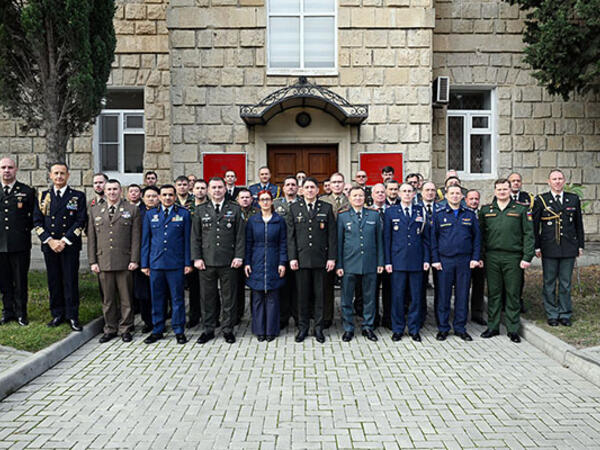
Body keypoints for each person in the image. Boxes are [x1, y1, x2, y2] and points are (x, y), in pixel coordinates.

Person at [479, 179, 534, 343]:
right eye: (499, 189)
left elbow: (529, 235)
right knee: (494, 293)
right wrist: (481, 257)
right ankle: (493, 326)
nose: (502, 192)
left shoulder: (521, 209)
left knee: (513, 293)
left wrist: (527, 257)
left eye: (505, 189)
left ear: (510, 190)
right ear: (494, 191)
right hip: (492, 257)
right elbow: (481, 236)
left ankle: (513, 329)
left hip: (513, 257)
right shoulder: (486, 210)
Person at [33, 163, 87, 331]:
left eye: (62, 173)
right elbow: (37, 221)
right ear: (50, 176)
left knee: (70, 281)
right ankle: (57, 314)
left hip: (69, 246)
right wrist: (50, 241)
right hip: (50, 246)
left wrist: (63, 241)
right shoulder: (43, 196)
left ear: (68, 175)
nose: (59, 176)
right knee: (54, 280)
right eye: (56, 173)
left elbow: (80, 221)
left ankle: (72, 316)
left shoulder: (77, 196)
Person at [192, 177, 245, 344]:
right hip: (206, 262)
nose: (217, 190)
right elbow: (195, 237)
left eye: (220, 187)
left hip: (229, 261)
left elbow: (240, 236)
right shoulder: (200, 210)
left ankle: (228, 329)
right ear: (209, 190)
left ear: (225, 189)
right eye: (213, 187)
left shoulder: (235, 210)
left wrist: (239, 256)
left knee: (229, 297)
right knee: (207, 297)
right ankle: (208, 329)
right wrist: (197, 258)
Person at [87, 180, 141, 343]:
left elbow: (136, 237)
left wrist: (134, 259)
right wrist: (92, 261)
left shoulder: (132, 209)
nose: (112, 192)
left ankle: (126, 328)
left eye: (115, 189)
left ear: (121, 191)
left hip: (124, 260)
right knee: (108, 299)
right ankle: (110, 328)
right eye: (109, 189)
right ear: (104, 190)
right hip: (103, 261)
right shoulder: (95, 210)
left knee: (126, 298)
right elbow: (91, 238)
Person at [532, 169, 585, 327]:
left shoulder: (573, 199)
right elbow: (535, 226)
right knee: (549, 282)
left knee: (565, 283)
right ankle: (552, 314)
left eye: (560, 178)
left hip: (569, 247)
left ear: (564, 181)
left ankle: (565, 313)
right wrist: (536, 246)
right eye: (554, 179)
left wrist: (580, 245)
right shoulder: (541, 200)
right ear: (549, 182)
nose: (557, 181)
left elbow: (578, 225)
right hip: (549, 247)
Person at [141, 184, 192, 344]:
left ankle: (179, 330)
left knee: (177, 299)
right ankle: (158, 329)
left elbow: (187, 241)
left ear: (175, 197)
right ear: (159, 197)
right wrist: (144, 264)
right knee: (157, 298)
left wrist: (187, 262)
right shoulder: (150, 215)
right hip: (156, 264)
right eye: (164, 195)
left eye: (171, 195)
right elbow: (145, 241)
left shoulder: (183, 214)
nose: (168, 197)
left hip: (176, 264)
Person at [287, 177, 336, 343]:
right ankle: (303, 327)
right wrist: (292, 257)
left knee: (320, 295)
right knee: (302, 296)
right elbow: (290, 237)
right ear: (302, 190)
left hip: (321, 259)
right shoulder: (294, 208)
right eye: (306, 187)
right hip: (301, 259)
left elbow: (332, 236)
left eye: (312, 187)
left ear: (317, 190)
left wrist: (332, 258)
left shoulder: (326, 208)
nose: (309, 190)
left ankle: (319, 328)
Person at [431, 185, 481, 342]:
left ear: (462, 197)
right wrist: (435, 260)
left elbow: (477, 239)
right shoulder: (438, 215)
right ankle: (443, 328)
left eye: (457, 193)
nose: (454, 196)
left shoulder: (469, 215)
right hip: (444, 261)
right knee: (443, 296)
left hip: (464, 261)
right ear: (446, 196)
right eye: (451, 193)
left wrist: (475, 258)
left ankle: (460, 328)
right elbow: (433, 240)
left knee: (462, 295)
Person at [384, 183, 430, 342]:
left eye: (410, 191)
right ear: (398, 193)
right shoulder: (390, 212)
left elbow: (426, 238)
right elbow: (387, 239)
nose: (407, 194)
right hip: (397, 261)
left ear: (414, 194)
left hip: (417, 261)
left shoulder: (420, 211)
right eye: (403, 191)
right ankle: (398, 329)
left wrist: (426, 259)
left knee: (416, 297)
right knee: (397, 297)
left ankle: (414, 328)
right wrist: (387, 261)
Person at [337, 187, 384, 342]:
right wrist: (339, 265)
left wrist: (380, 262)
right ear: (349, 198)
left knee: (370, 298)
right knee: (347, 298)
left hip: (370, 263)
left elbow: (379, 241)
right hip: (349, 263)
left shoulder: (374, 215)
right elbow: (339, 243)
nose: (358, 198)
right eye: (355, 196)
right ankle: (349, 328)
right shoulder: (343, 217)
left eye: (361, 195)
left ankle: (368, 327)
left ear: (366, 198)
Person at [244, 190, 287, 341]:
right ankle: (259, 330)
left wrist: (282, 262)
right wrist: (247, 262)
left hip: (274, 259)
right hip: (256, 259)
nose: (265, 202)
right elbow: (248, 243)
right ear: (258, 202)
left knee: (272, 297)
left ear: (272, 201)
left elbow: (283, 243)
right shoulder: (252, 221)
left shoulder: (279, 220)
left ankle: (271, 330)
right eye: (262, 200)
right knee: (257, 297)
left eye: (268, 199)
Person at [0, 158, 35, 326]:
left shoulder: (26, 191)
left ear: (16, 170)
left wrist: (21, 232)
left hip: (19, 244)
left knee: (20, 280)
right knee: (4, 281)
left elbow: (32, 218)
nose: (7, 170)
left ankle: (21, 314)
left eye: (10, 167)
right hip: (0, 245)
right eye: (3, 167)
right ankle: (7, 312)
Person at [319, 172, 350, 328]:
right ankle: (326, 317)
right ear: (329, 185)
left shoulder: (350, 200)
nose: (337, 185)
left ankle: (348, 317)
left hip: (347, 247)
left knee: (347, 286)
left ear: (344, 184)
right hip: (327, 247)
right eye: (334, 182)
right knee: (326, 286)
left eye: (340, 182)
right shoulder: (322, 201)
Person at [132, 186, 160, 333]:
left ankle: (159, 320)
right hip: (141, 258)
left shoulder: (164, 212)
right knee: (143, 293)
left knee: (159, 293)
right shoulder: (136, 213)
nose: (151, 199)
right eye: (148, 196)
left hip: (159, 258)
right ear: (143, 198)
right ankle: (147, 322)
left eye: (154, 196)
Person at [272, 176, 299, 329]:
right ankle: (282, 317)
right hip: (280, 251)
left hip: (298, 251)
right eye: (287, 185)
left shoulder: (302, 204)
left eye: (293, 185)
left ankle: (297, 316)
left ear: (297, 188)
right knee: (282, 286)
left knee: (297, 287)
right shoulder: (276, 204)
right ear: (283, 188)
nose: (290, 187)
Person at [235, 188, 258, 325]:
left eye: (247, 197)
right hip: (237, 253)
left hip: (253, 253)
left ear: (252, 199)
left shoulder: (257, 213)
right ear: (237, 199)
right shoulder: (233, 212)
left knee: (254, 285)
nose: (245, 199)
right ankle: (238, 314)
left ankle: (255, 314)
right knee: (237, 286)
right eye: (242, 197)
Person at [419, 181, 441, 327]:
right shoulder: (416, 209)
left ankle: (439, 318)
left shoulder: (442, 208)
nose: (430, 192)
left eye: (433, 190)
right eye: (427, 190)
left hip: (440, 253)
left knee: (441, 287)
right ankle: (421, 317)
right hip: (422, 253)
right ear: (421, 192)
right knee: (420, 287)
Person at [465, 189, 486, 326]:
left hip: (480, 258)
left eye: (476, 199)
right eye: (471, 199)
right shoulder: (462, 214)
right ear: (466, 200)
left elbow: (485, 238)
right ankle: (461, 313)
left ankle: (477, 314)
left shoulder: (484, 215)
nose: (474, 201)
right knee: (463, 287)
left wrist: (481, 257)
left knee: (479, 286)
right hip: (465, 257)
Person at [370, 183, 388, 328]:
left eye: (383, 192)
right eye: (377, 192)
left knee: (390, 290)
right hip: (372, 257)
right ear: (372, 195)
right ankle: (374, 318)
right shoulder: (368, 212)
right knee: (372, 291)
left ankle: (388, 319)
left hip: (389, 258)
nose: (380, 194)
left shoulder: (393, 211)